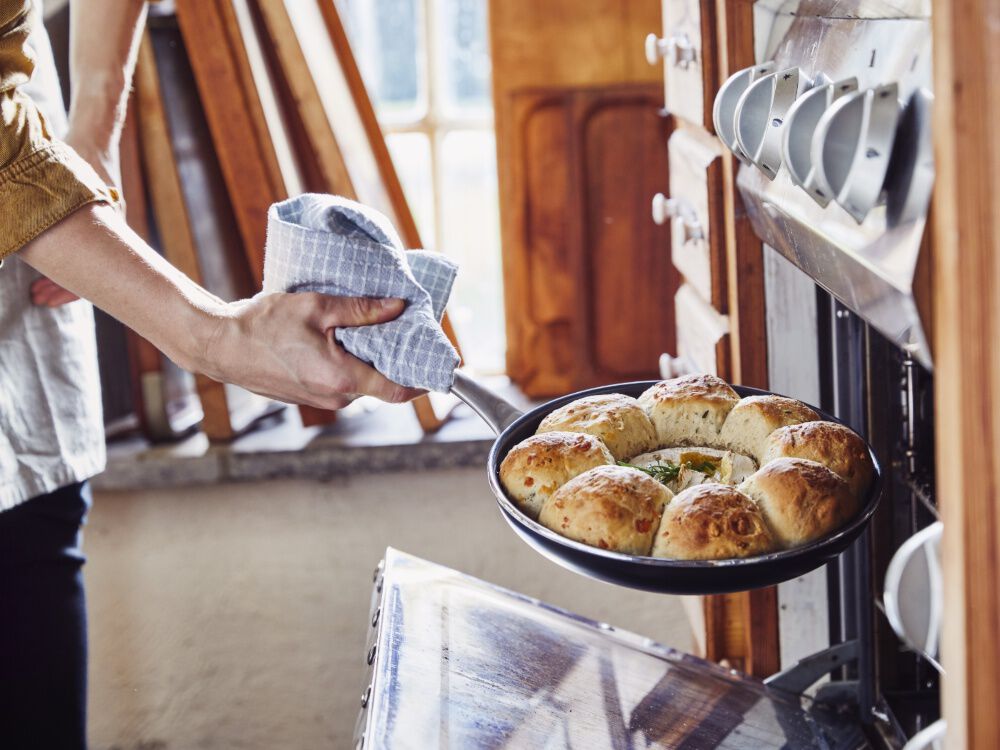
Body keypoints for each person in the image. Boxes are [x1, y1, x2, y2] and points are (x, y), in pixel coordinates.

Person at [0, 1, 422, 746]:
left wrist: (93, 128)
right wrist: (213, 339)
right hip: (23, 164)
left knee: (30, 530)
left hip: (33, 187)